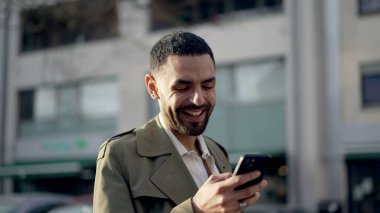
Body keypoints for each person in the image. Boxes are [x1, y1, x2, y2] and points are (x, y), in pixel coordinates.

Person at [93, 31, 268, 213]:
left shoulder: (217, 152)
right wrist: (195, 209)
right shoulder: (119, 155)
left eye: (208, 86)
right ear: (153, 88)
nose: (198, 99)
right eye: (183, 88)